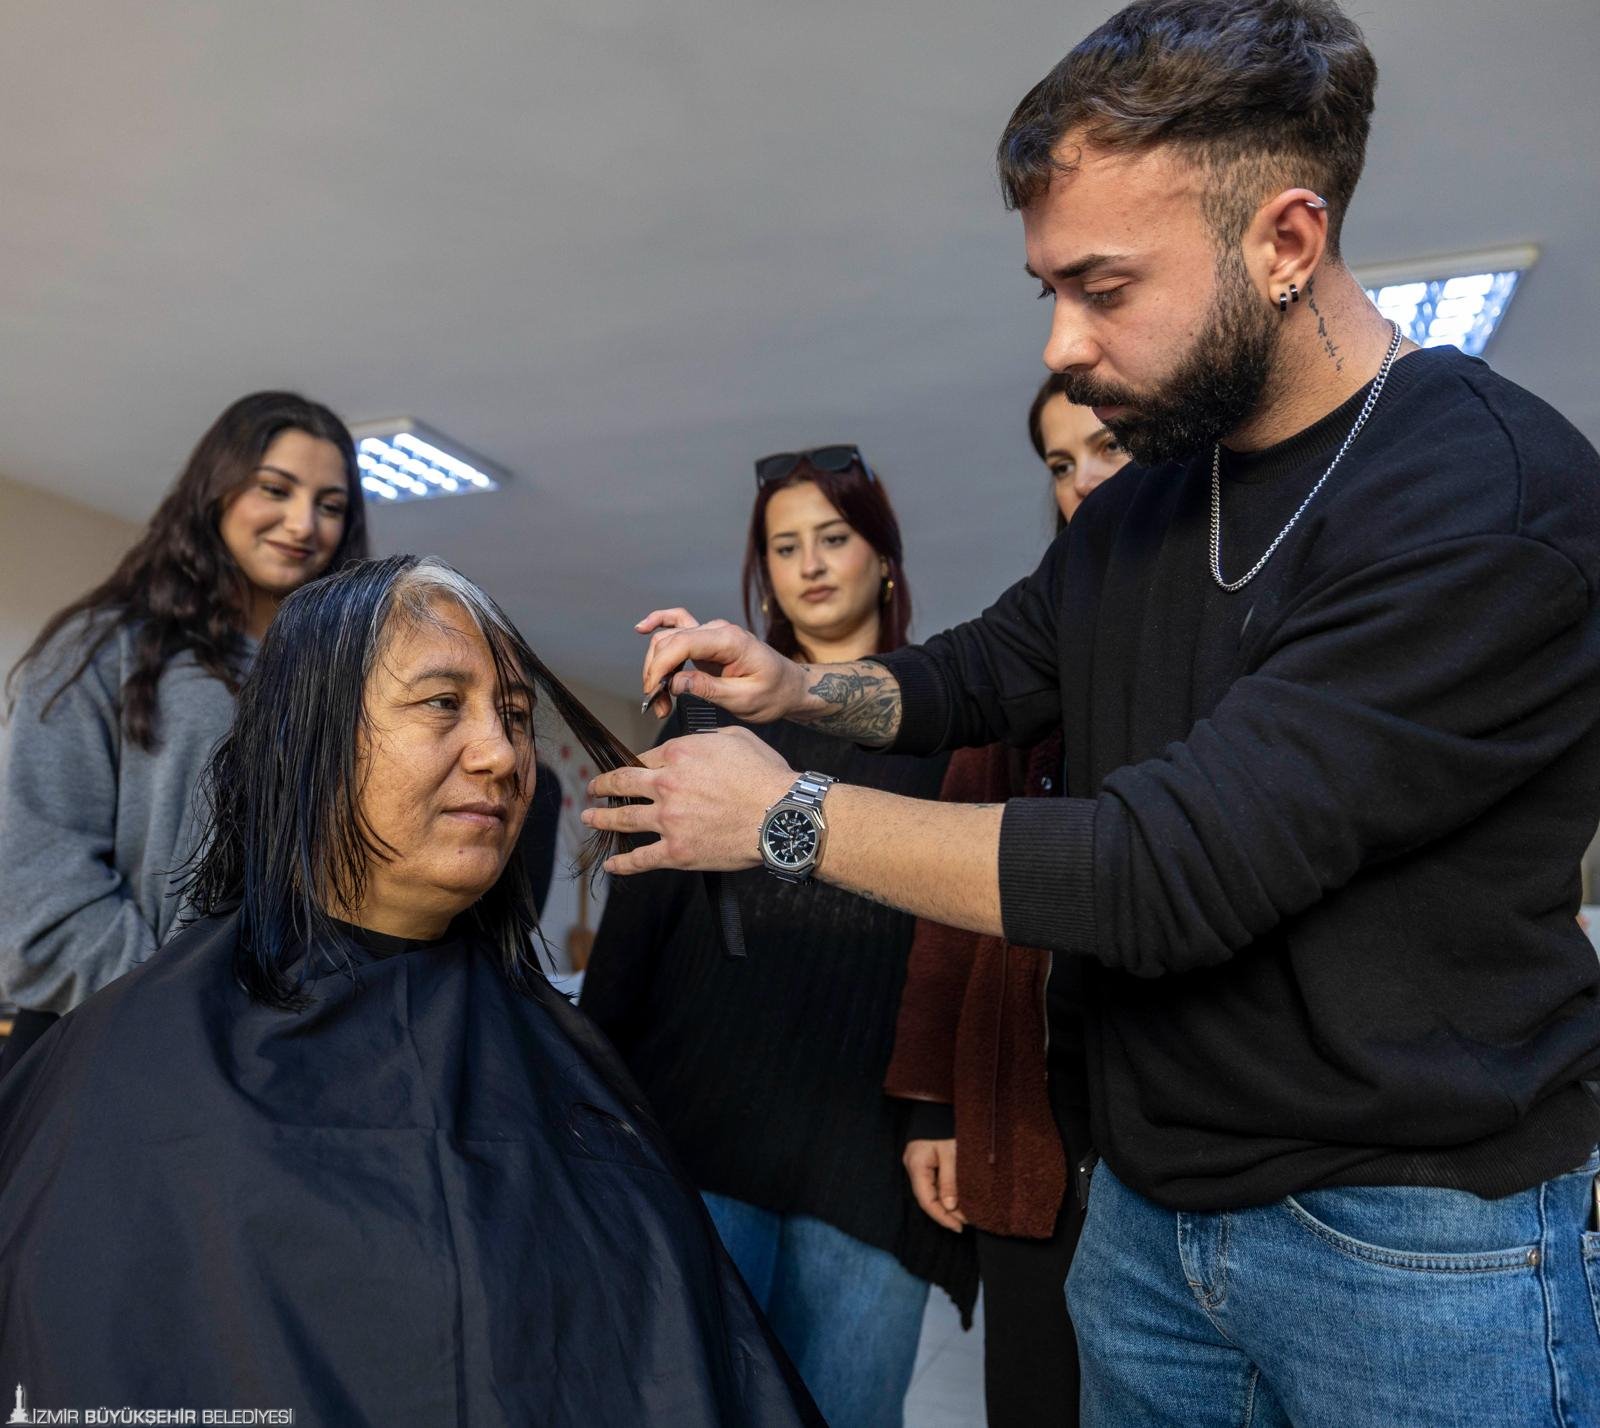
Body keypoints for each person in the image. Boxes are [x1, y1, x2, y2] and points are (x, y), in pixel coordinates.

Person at [588, 3, 1600, 1422]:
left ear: (1286, 243)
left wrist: (786, 817)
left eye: (1105, 286)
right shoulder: (1143, 508)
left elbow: (1163, 868)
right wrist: (799, 685)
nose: (1063, 342)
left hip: (1412, 1242)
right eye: (1046, 288)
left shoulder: (1481, 502)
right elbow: (989, 670)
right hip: (1147, 1213)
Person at [0, 554, 821, 1428]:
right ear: (307, 737)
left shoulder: (563, 1063)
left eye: (513, 715)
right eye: (442, 704)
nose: (503, 755)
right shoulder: (133, 1067)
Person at [580, 447, 973, 1428]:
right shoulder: (704, 718)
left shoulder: (950, 729)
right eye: (783, 546)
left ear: (884, 557)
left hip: (869, 1148)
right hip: (703, 1123)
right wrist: (585, 1090)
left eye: (832, 538)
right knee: (692, 1405)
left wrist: (941, 1110)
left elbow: (973, 941)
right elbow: (637, 914)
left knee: (843, 1412)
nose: (809, 565)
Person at [889, 380, 1130, 1427]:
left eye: (1107, 447)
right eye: (1059, 465)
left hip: (1165, 1131)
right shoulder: (1020, 681)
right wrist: (936, 1106)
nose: (1082, 484)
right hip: (1028, 1117)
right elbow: (946, 923)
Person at [0, 390, 368, 1075]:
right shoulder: (101, 647)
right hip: (107, 1040)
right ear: (216, 490)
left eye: (330, 505)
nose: (303, 523)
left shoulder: (347, 680)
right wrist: (178, 1004)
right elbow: (39, 880)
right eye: (275, 489)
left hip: (281, 1050)